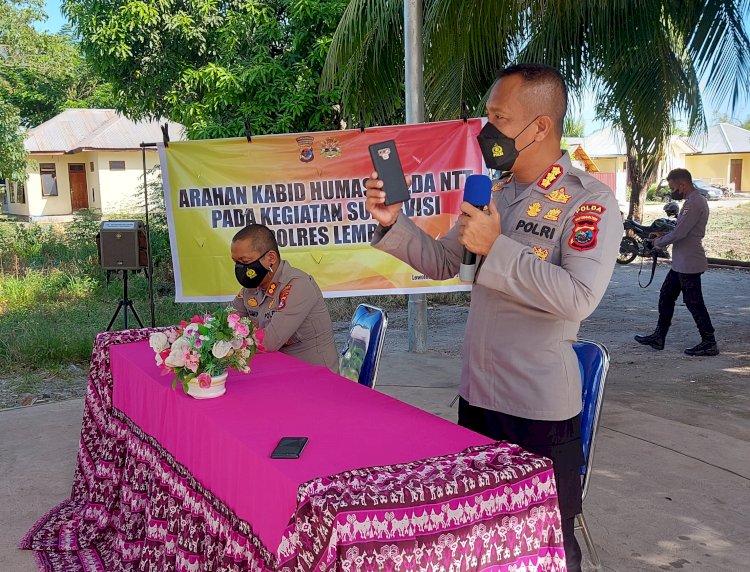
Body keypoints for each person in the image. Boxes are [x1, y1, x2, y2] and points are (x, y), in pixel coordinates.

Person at [365, 64, 621, 571]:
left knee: (545, 543)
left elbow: (579, 298)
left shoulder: (587, 201)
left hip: (538, 411)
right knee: (482, 537)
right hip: (477, 398)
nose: (488, 129)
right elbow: (446, 261)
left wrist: (498, 249)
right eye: (488, 115)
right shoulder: (494, 192)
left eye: (499, 117)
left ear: (540, 127)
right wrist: (395, 222)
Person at [230, 224, 339, 371]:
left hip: (314, 376)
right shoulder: (251, 288)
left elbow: (269, 342)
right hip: (276, 369)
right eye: (236, 262)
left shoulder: (298, 285)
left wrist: (229, 342)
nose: (240, 268)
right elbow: (228, 323)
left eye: (245, 262)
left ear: (271, 258)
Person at [635, 168, 719, 356]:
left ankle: (709, 342)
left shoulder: (694, 203)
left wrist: (657, 242)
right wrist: (662, 235)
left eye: (673, 187)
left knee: (693, 302)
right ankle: (659, 336)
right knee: (666, 295)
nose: (672, 191)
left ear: (682, 185)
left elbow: (681, 233)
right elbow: (681, 229)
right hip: (682, 262)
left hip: (689, 262)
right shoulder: (691, 202)